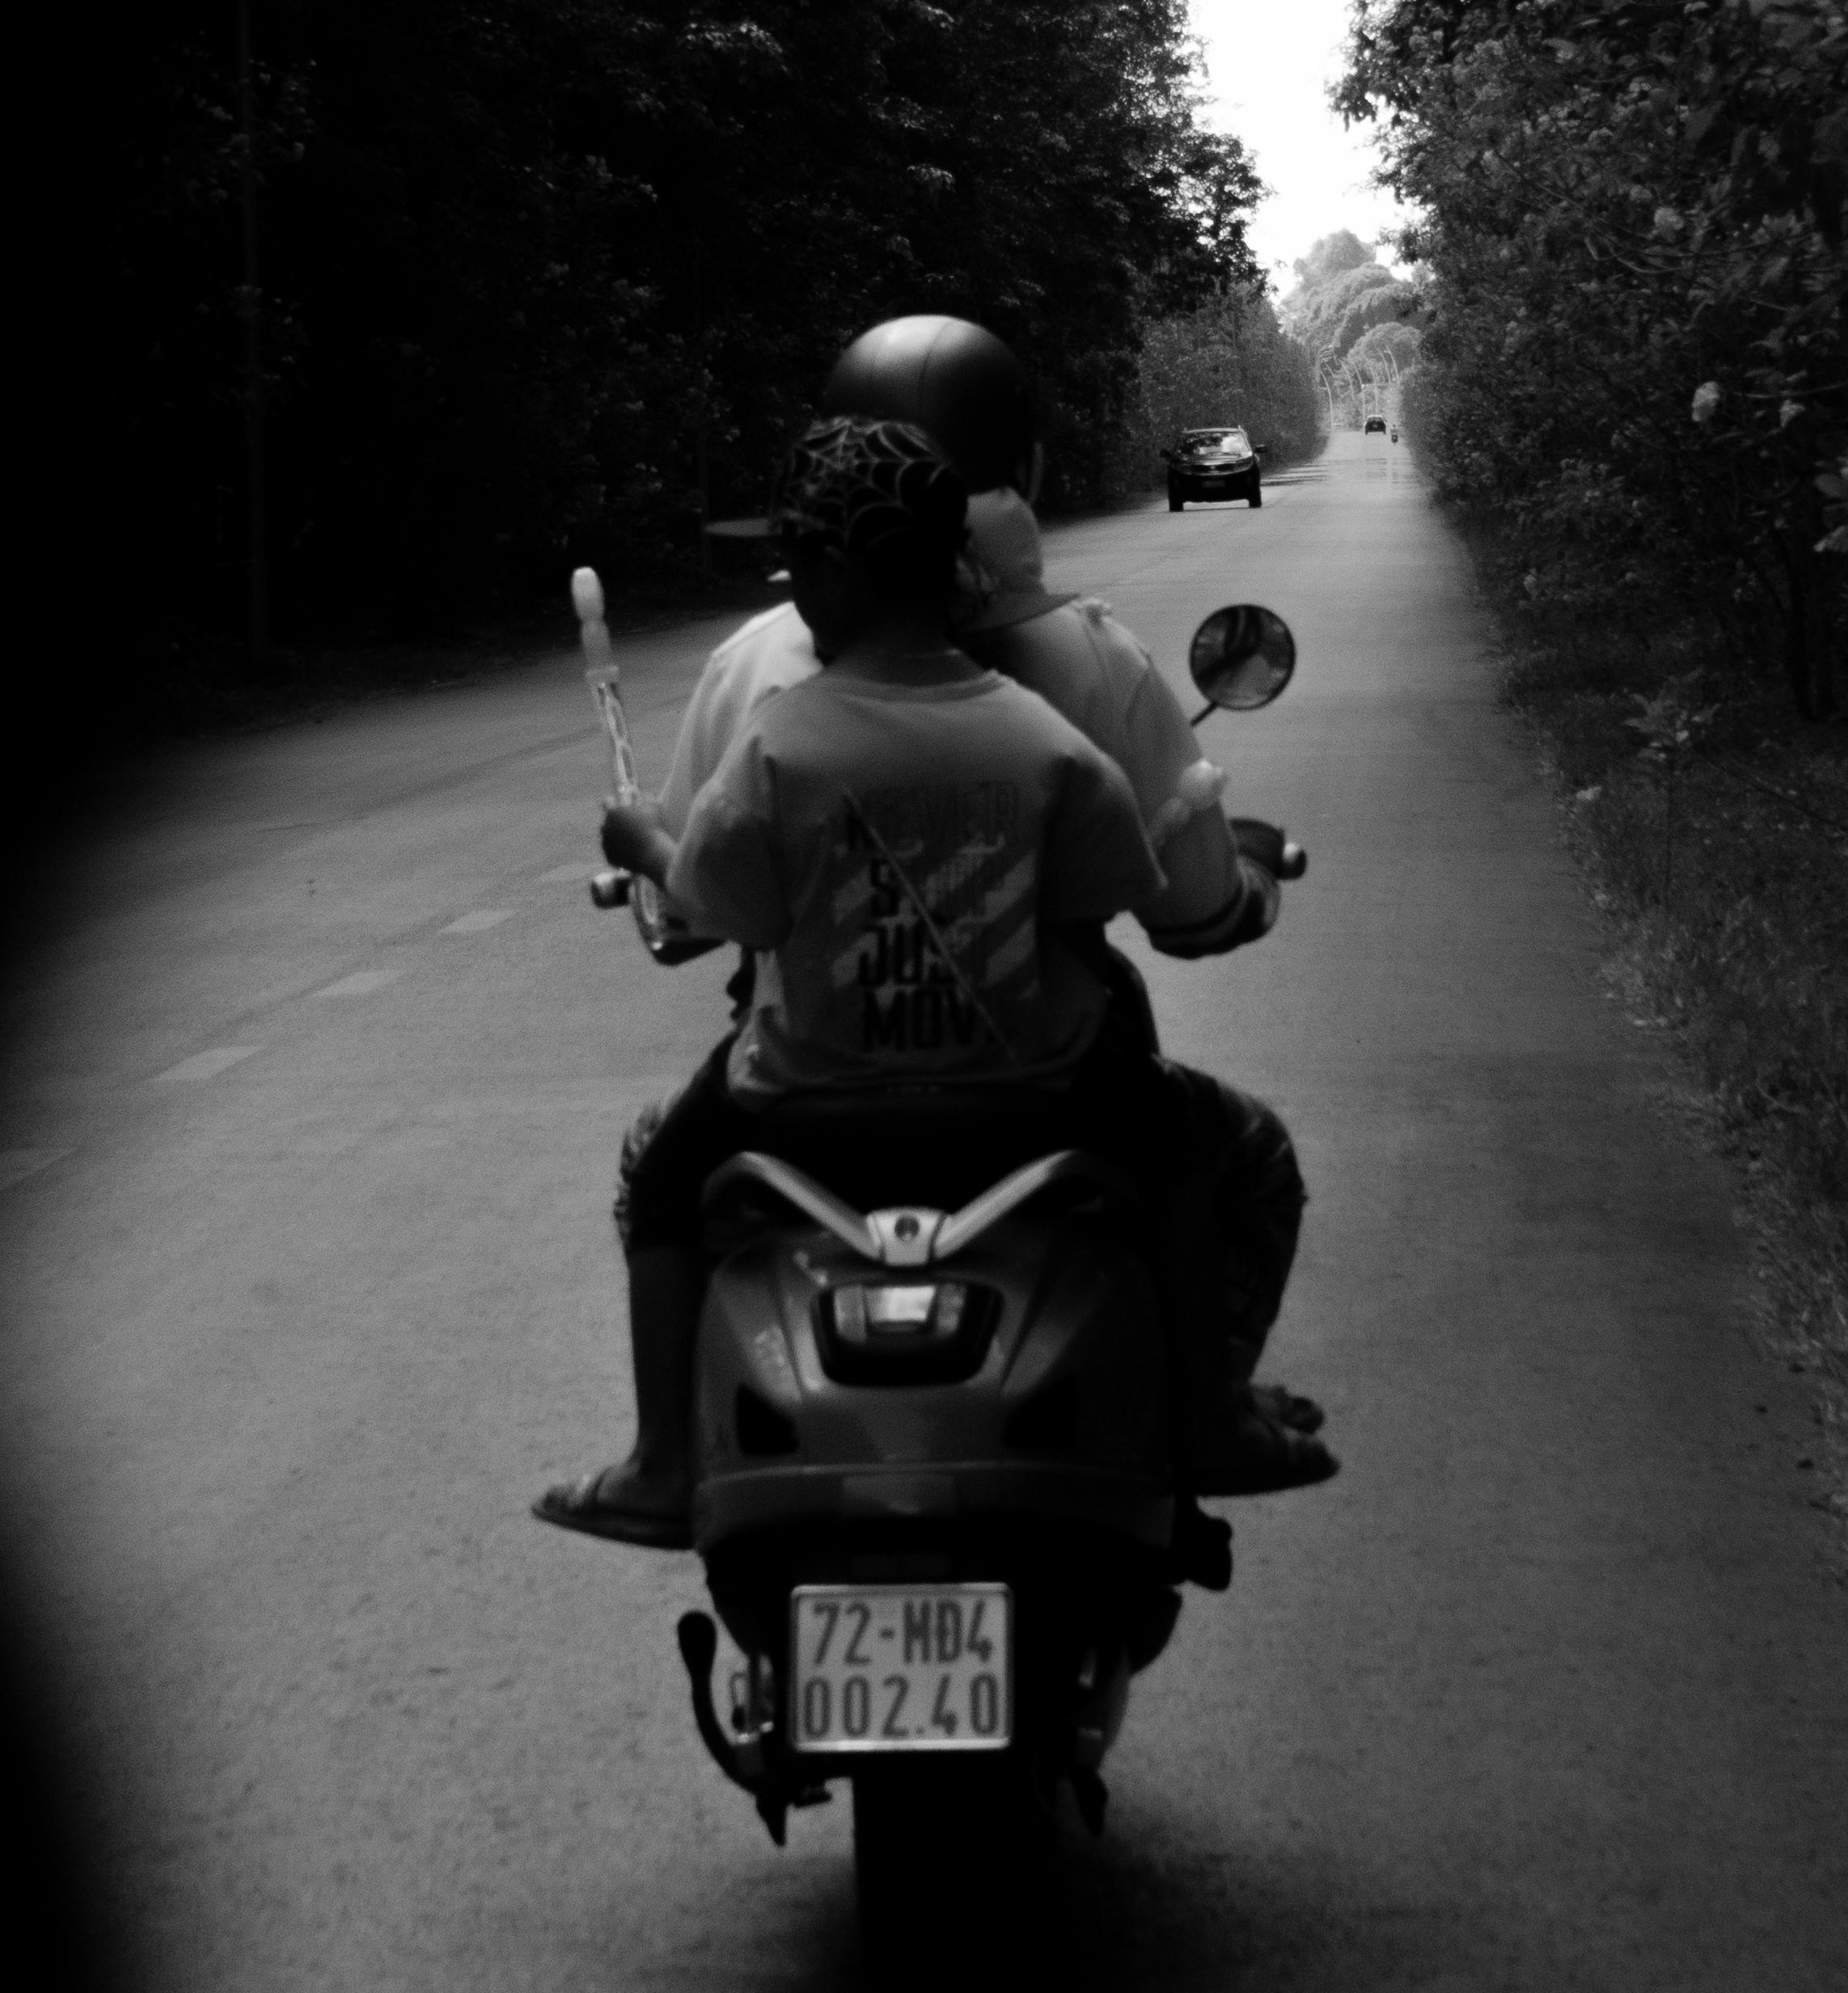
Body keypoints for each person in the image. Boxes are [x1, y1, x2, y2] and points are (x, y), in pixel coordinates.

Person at [535, 414, 1324, 1550]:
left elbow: (714, 911)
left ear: (838, 573)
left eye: (799, 559)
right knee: (1198, 1165)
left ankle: (664, 1466)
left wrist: (643, 844)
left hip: (804, 1108)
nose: (790, 581)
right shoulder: (1047, 746)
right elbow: (1119, 891)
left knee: (659, 1177)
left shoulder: (776, 743)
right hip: (1038, 1102)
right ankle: (1212, 1418)